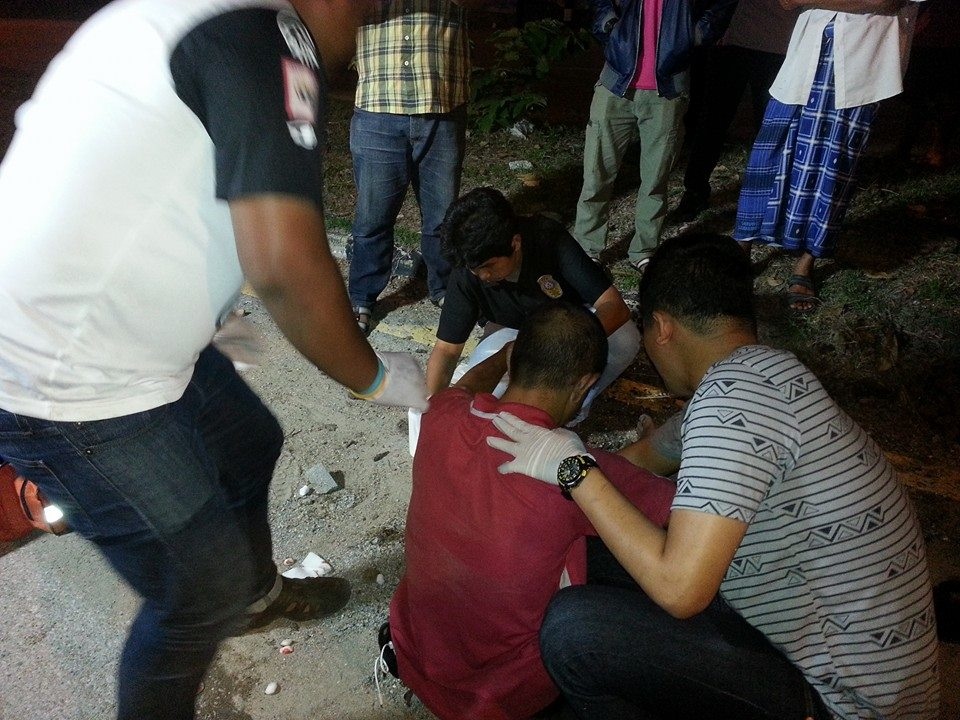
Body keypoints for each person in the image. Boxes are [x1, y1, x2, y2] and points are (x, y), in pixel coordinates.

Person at [0, 2, 428, 719]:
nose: (363, 30)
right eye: (367, 10)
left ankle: (254, 598)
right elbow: (284, 265)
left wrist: (209, 308)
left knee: (247, 441)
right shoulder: (265, 33)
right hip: (71, 379)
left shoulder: (199, 14)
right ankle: (223, 609)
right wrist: (379, 377)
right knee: (197, 593)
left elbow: (153, 182)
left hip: (114, 331)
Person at [487, 234, 940, 719]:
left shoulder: (729, 401)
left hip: (840, 700)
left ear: (662, 327)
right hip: (805, 641)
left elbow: (679, 590)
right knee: (587, 544)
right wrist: (547, 469)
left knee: (574, 632)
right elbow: (641, 460)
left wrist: (573, 468)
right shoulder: (766, 376)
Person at [386, 303, 677, 720]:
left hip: (419, 658)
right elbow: (679, 513)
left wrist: (501, 361)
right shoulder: (577, 471)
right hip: (504, 699)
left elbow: (464, 388)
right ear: (584, 385)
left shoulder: (441, 414)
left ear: (513, 362)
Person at [733, 0, 924, 313]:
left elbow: (885, 2)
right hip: (804, 59)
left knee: (834, 169)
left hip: (862, 65)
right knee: (768, 155)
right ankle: (740, 248)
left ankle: (805, 264)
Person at [347, 0, 485, 334]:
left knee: (443, 216)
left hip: (443, 103)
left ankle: (447, 289)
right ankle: (362, 297)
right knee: (372, 217)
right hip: (378, 103)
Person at [572, 0, 735, 271]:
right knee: (596, 172)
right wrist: (608, 25)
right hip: (615, 83)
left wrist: (696, 33)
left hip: (668, 89)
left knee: (656, 178)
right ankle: (588, 247)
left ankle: (644, 249)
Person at [671, 0, 800, 222]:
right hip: (733, 43)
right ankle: (694, 191)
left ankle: (767, 197)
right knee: (712, 122)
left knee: (769, 130)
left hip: (778, 47)